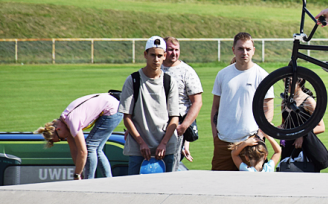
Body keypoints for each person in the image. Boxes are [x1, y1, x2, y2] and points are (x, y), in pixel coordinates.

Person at [211, 33, 274, 171]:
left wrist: (260, 136)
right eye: (240, 48)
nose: (244, 52)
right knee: (218, 185)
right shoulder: (223, 74)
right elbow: (215, 107)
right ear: (233, 50)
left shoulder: (263, 76)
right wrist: (215, 135)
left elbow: (269, 109)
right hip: (223, 142)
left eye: (248, 49)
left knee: (251, 186)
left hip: (251, 142)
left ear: (254, 50)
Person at [118, 36, 180, 174]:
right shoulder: (133, 80)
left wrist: (164, 143)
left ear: (165, 56)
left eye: (159, 56)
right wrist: (141, 142)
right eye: (152, 55)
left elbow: (174, 118)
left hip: (166, 147)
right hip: (138, 148)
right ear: (145, 55)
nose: (156, 60)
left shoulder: (169, 82)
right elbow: (126, 117)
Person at [35, 93, 123, 180]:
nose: (65, 139)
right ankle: (108, 179)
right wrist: (79, 171)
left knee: (90, 146)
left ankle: (89, 181)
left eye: (61, 139)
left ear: (58, 129)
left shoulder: (72, 122)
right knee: (97, 148)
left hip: (112, 110)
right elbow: (74, 151)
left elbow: (83, 152)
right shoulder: (64, 123)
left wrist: (77, 175)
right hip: (114, 106)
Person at [162, 36, 203, 168]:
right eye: (170, 49)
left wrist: (184, 126)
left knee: (171, 164)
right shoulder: (156, 68)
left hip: (176, 124)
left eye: (176, 50)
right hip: (156, 123)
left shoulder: (187, 71)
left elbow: (197, 102)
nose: (174, 53)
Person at [277, 77, 328, 173]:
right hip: (288, 147)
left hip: (305, 147)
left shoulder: (308, 101)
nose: (286, 84)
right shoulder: (284, 102)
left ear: (300, 81)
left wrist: (302, 135)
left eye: (290, 81)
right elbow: (285, 124)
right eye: (284, 81)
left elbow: (321, 127)